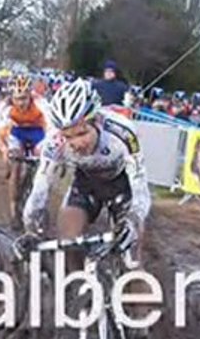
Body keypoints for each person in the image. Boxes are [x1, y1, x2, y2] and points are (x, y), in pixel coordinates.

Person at [16, 78, 151, 273]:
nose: (76, 143)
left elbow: (140, 189)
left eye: (82, 133)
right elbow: (40, 189)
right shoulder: (54, 143)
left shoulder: (122, 133)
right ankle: (79, 291)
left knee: (132, 259)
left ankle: (138, 296)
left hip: (123, 185)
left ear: (97, 120)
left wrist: (133, 220)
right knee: (68, 243)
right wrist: (30, 230)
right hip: (87, 183)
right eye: (68, 136)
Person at [0, 74, 51, 229]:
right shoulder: (6, 108)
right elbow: (2, 136)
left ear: (30, 96)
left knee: (42, 165)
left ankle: (38, 203)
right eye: (17, 98)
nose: (21, 103)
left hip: (38, 133)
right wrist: (6, 153)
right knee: (15, 164)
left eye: (24, 98)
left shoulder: (41, 104)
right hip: (17, 132)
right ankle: (14, 210)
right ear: (11, 97)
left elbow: (51, 130)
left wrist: (42, 147)